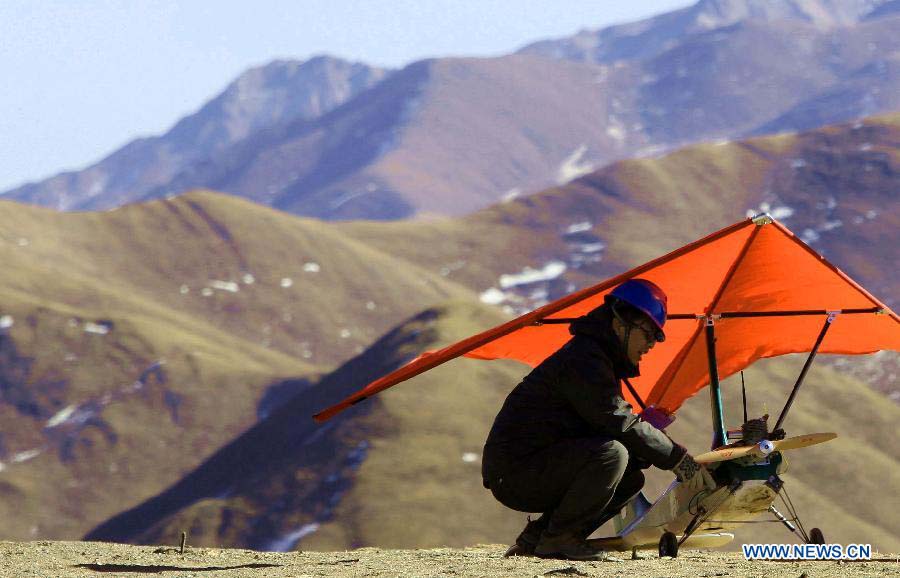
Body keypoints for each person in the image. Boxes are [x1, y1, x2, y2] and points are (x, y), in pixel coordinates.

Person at [481, 278, 716, 561]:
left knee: (629, 478)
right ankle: (558, 539)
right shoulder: (584, 361)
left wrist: (649, 440)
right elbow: (619, 424)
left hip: (531, 467)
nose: (652, 343)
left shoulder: (597, 359)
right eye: (650, 333)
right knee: (611, 456)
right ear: (620, 325)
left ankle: (538, 539)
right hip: (516, 474)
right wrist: (679, 460)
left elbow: (613, 427)